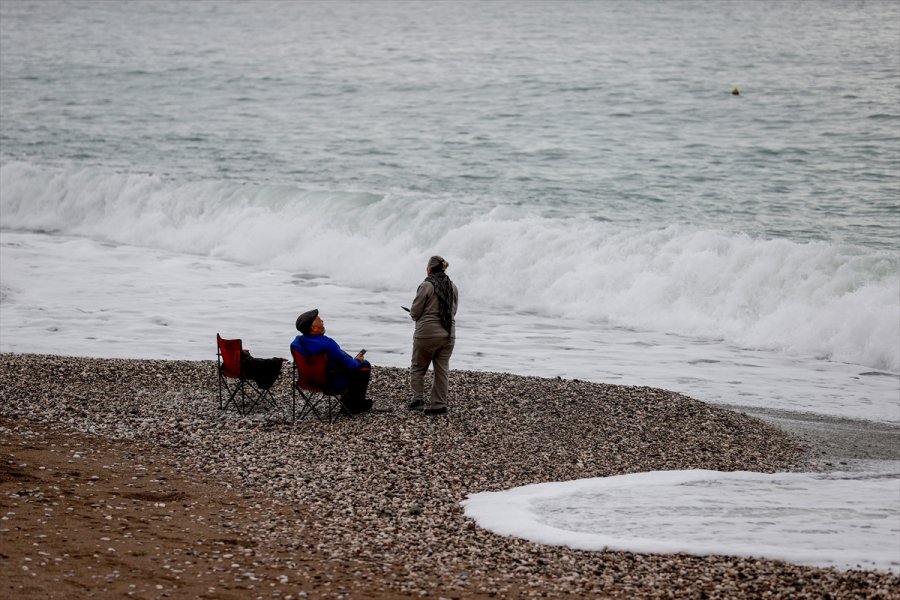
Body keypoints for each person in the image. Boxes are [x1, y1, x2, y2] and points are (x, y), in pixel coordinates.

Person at [291, 309, 373, 414]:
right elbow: (351, 365)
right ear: (314, 328)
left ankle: (348, 403)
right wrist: (357, 360)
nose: (323, 321)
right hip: (330, 383)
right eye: (319, 320)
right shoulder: (327, 343)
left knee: (342, 360)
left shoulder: (296, 343)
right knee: (364, 365)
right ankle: (354, 406)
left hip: (307, 381)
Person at [407, 255, 458, 415]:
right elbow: (453, 311)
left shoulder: (426, 285)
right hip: (448, 333)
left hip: (426, 334)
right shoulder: (453, 287)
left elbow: (415, 312)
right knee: (442, 369)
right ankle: (438, 405)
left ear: (429, 269)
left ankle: (418, 399)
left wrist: (417, 316)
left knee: (418, 366)